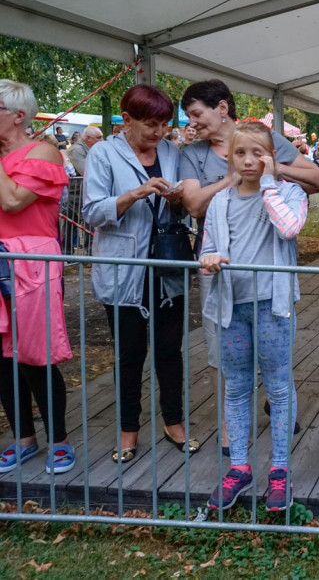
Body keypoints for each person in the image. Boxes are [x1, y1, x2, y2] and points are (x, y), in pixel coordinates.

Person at [180, 79, 319, 451]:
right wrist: (232, 180)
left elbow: (314, 181)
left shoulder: (267, 144)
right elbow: (194, 205)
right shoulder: (194, 155)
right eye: (239, 154)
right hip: (223, 266)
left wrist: (271, 173)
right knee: (224, 354)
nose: (193, 122)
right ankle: (231, 426)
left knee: (274, 358)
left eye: (196, 113)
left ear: (222, 107)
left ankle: (279, 417)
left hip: (269, 273)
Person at [82, 85, 198, 463]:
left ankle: (174, 421)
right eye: (151, 124)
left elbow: (182, 208)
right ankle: (127, 428)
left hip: (167, 265)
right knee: (129, 353)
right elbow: (92, 212)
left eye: (164, 125)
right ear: (127, 120)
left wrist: (177, 200)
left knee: (170, 350)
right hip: (124, 269)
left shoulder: (171, 152)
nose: (159, 132)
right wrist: (136, 193)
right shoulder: (103, 153)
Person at [199, 123, 307, 512]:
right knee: (236, 387)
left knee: (278, 386)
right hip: (232, 307)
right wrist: (209, 260)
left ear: (272, 157)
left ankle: (279, 468)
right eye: (240, 153)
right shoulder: (219, 202)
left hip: (272, 305)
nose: (249, 161)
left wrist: (268, 185)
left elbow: (289, 228)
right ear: (229, 157)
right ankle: (239, 467)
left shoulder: (290, 193)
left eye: (258, 153)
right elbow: (207, 248)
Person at [0, 79, 75, 475]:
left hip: (31, 260)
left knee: (35, 354)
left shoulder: (43, 151)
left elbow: (13, 200)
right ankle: (24, 439)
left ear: (18, 115)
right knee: (1, 357)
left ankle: (58, 440)